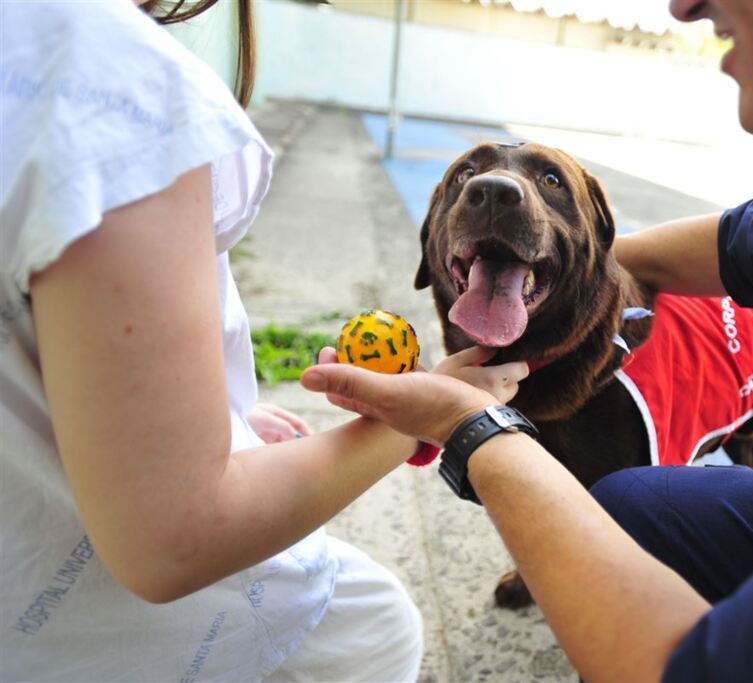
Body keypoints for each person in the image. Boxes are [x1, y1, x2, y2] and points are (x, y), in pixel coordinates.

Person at [301, 0, 753, 680]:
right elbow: (749, 241)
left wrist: (469, 429)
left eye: (546, 183)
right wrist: (610, 269)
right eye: (471, 179)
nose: (682, 7)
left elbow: (724, 669)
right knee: (627, 506)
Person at [0, 1, 527, 681]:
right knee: (379, 619)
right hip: (114, 638)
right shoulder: (115, 82)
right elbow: (176, 538)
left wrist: (212, 420)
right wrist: (428, 410)